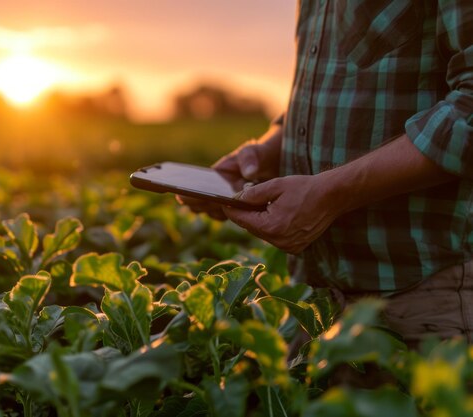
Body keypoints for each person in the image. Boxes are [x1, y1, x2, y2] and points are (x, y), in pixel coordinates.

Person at [180, 0, 472, 349]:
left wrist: (332, 193)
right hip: (315, 300)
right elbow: (333, 81)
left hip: (426, 296)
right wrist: (269, 150)